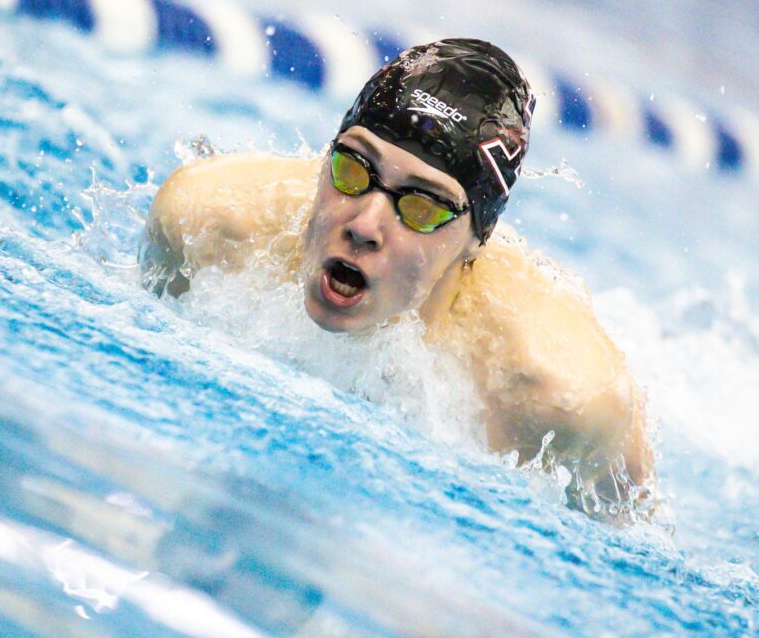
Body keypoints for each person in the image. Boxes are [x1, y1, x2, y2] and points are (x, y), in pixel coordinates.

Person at [143, 38, 654, 517]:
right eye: (352, 170)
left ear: (477, 238)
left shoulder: (552, 393)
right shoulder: (208, 224)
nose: (364, 225)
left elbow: (636, 541)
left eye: (421, 205)